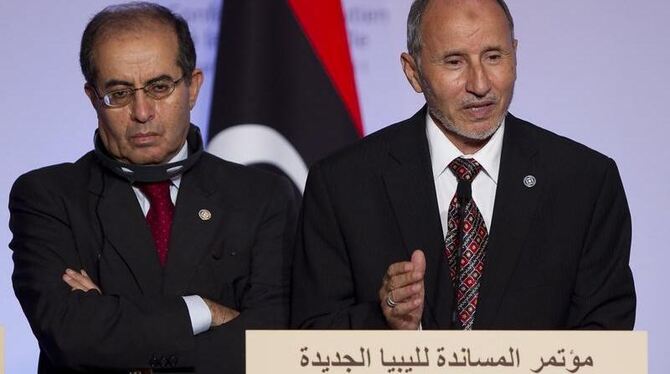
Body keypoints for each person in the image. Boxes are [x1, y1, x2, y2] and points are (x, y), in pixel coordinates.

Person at [291, 0, 635, 331]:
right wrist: (386, 322)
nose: (480, 84)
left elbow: (606, 335)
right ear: (414, 72)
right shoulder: (342, 184)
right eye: (455, 62)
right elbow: (307, 336)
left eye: (493, 57)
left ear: (515, 56)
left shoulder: (585, 183)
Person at [9, 3, 297, 373]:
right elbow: (72, 339)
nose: (142, 112)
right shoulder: (48, 196)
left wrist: (117, 333)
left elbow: (272, 347)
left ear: (192, 87)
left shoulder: (262, 196)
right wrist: (205, 310)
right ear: (93, 98)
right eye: (119, 93)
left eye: (160, 87)